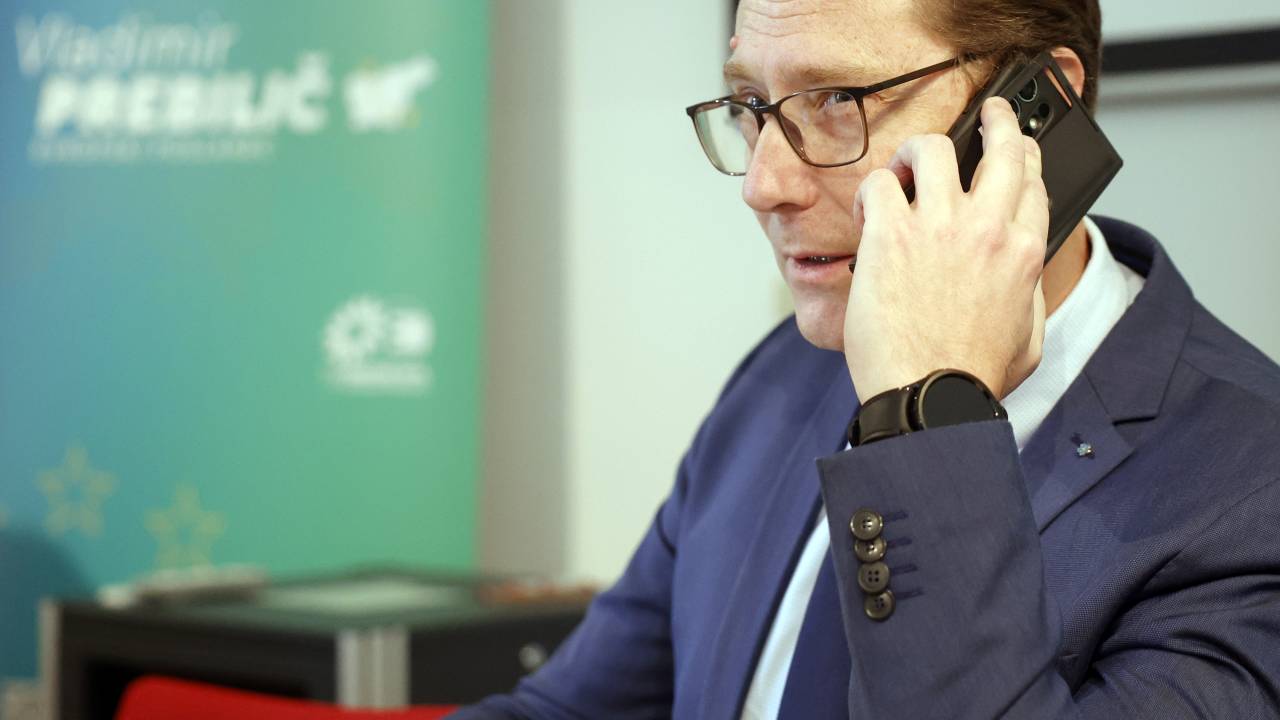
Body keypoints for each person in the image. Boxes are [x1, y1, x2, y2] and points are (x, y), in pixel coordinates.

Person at [454, 0, 1280, 717]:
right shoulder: (784, 373)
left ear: (1037, 108)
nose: (764, 184)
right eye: (751, 105)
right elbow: (567, 709)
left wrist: (926, 411)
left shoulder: (1249, 488)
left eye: (836, 101)